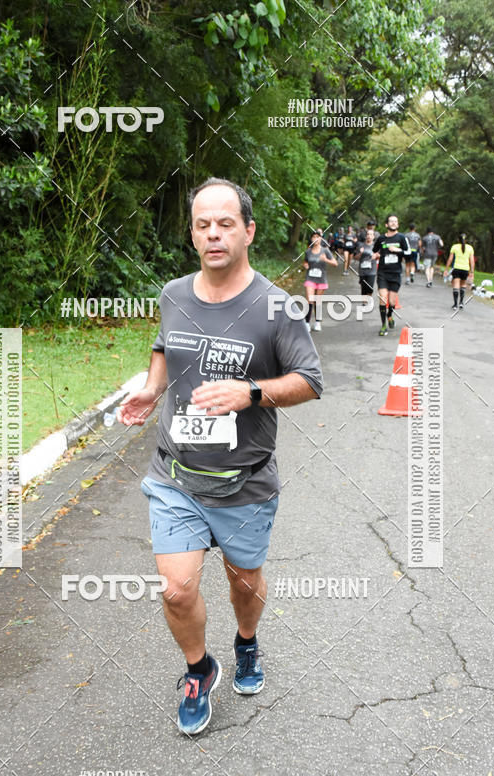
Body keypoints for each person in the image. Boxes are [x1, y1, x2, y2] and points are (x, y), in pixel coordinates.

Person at [117, 177, 323, 735]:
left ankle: (247, 642)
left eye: (225, 224)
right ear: (192, 234)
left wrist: (250, 391)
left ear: (248, 231)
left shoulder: (277, 307)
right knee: (176, 588)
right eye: (203, 224)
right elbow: (165, 344)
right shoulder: (173, 295)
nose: (214, 234)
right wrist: (152, 388)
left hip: (245, 482)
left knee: (244, 583)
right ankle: (198, 669)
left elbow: (310, 380)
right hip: (176, 474)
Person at [372, 214, 411, 336]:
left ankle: (389, 315)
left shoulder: (402, 238)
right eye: (391, 221)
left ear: (398, 224)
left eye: (395, 221)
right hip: (383, 272)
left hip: (395, 273)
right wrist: (375, 255)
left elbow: (409, 252)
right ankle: (383, 325)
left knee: (392, 301)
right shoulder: (381, 238)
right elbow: (374, 250)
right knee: (383, 298)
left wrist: (398, 250)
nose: (393, 223)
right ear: (386, 224)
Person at [303, 230, 338, 331]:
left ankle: (317, 322)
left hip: (321, 279)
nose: (316, 239)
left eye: (318, 237)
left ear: (321, 239)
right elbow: (305, 262)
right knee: (310, 300)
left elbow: (335, 264)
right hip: (310, 278)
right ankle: (307, 323)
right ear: (311, 239)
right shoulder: (308, 251)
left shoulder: (325, 251)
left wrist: (326, 260)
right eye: (314, 237)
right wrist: (305, 265)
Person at [444, 233, 475, 309]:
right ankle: (461, 302)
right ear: (466, 240)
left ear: (458, 239)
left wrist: (446, 269)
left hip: (456, 268)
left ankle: (455, 304)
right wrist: (472, 271)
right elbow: (472, 261)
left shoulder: (455, 247)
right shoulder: (470, 248)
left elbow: (450, 259)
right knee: (463, 284)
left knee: (456, 285)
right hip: (465, 269)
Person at [354, 227, 377, 297]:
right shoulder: (361, 245)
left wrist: (376, 255)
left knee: (369, 289)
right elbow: (355, 257)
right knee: (363, 290)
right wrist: (360, 253)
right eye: (368, 234)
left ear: (373, 236)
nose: (369, 236)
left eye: (371, 234)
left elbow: (380, 255)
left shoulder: (376, 246)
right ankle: (365, 302)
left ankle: (369, 301)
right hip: (362, 271)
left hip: (372, 271)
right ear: (366, 236)